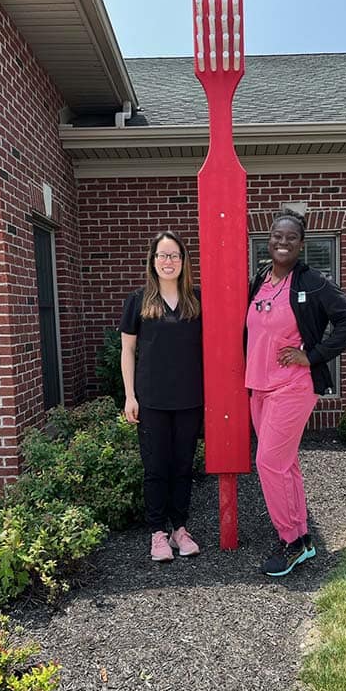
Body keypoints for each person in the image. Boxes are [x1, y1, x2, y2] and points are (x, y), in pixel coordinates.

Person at [246, 209, 346, 577]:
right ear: (269, 240)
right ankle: (301, 535)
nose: (282, 242)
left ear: (302, 244)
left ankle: (291, 543)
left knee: (268, 462)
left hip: (293, 386)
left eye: (290, 238)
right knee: (285, 464)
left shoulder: (313, 282)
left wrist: (311, 355)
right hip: (259, 387)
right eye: (276, 236)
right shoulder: (260, 280)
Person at [120, 231, 203, 562]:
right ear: (152, 261)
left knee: (183, 467)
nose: (168, 262)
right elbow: (127, 350)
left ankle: (179, 529)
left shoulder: (197, 300)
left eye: (174, 256)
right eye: (162, 256)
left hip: (189, 399)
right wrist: (130, 395)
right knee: (155, 468)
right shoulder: (138, 301)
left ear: (184, 262)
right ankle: (157, 533)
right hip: (151, 400)